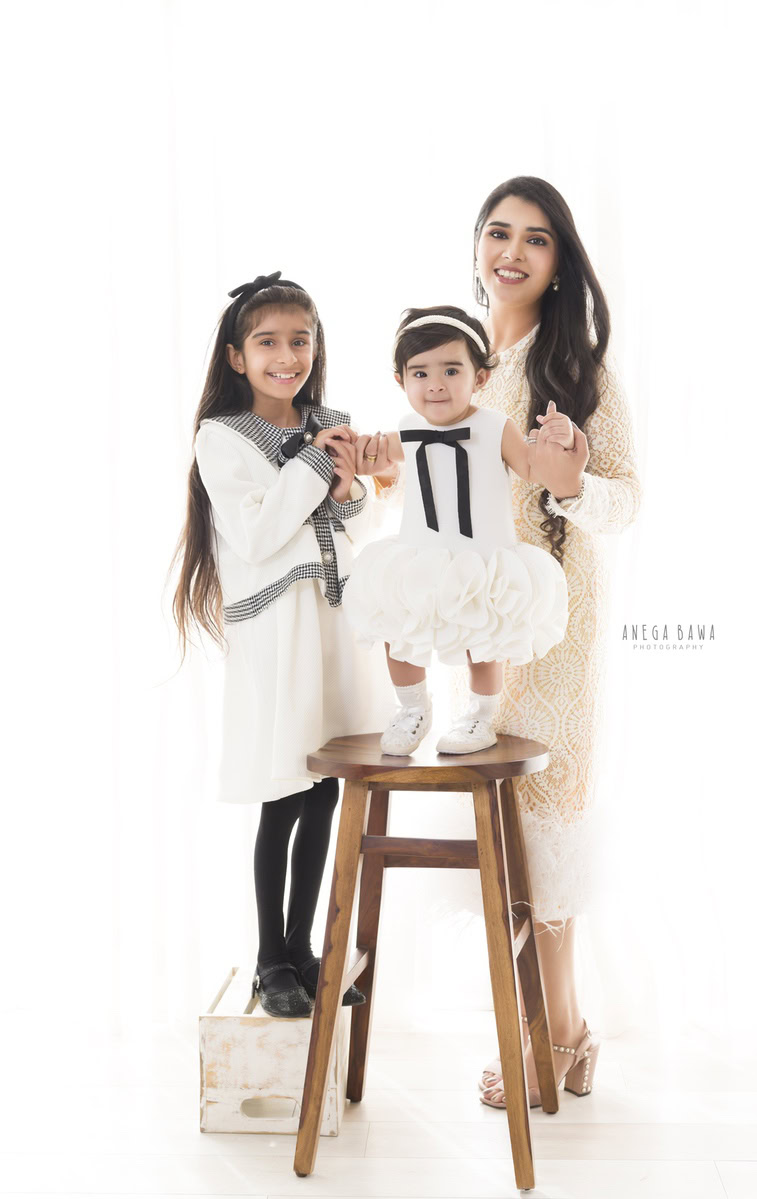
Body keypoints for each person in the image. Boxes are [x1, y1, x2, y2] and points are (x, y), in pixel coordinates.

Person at [357, 179, 642, 1108]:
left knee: (543, 822)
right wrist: (366, 477)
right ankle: (556, 1031)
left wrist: (566, 482)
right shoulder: (451, 357)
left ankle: (550, 1036)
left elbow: (625, 499)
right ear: (475, 244)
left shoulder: (582, 369)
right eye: (497, 233)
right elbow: (412, 481)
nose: (511, 252)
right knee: (495, 822)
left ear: (562, 261)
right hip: (457, 608)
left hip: (549, 616)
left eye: (536, 239)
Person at [170, 271, 393, 1018]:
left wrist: (349, 490)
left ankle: (302, 949)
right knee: (283, 788)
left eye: (300, 339)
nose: (286, 355)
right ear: (237, 357)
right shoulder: (220, 437)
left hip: (333, 622)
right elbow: (260, 533)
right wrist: (311, 464)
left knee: (326, 785)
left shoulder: (330, 420)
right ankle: (272, 957)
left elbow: (355, 533)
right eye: (267, 342)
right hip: (276, 631)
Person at [343, 305, 570, 755]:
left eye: (451, 369)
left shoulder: (495, 427)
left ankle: (479, 719)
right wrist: (353, 450)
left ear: (480, 377)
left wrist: (553, 442)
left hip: (483, 557)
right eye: (420, 373)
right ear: (401, 381)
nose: (436, 385)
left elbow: (531, 467)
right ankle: (412, 709)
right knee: (400, 634)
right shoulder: (406, 430)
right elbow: (375, 462)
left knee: (483, 643)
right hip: (420, 556)